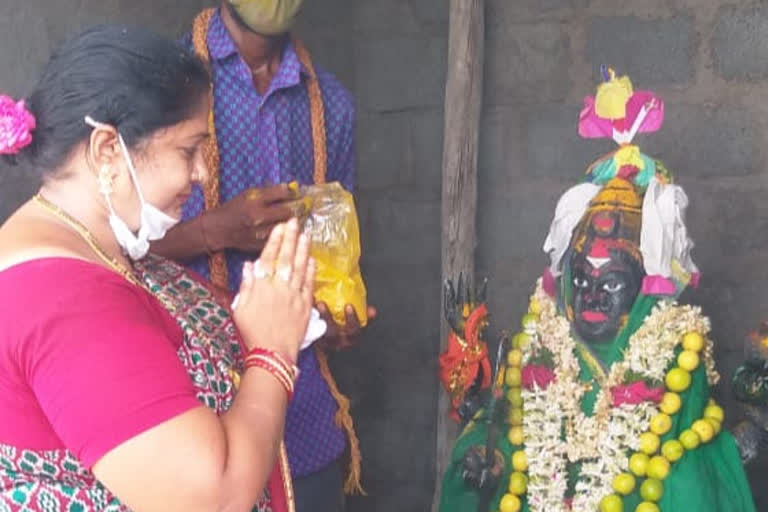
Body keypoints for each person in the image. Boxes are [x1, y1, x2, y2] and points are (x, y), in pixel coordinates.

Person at [0, 25, 312, 512]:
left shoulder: (98, 247)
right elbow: (212, 497)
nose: (202, 174)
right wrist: (273, 350)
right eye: (188, 151)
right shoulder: (59, 299)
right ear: (107, 149)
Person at [438, 69, 756, 512]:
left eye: (611, 282)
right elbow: (506, 430)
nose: (589, 296)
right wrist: (488, 458)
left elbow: (682, 459)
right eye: (581, 278)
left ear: (647, 284)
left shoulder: (674, 351)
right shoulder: (541, 342)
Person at [151, 1, 373, 508]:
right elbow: (105, 250)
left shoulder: (329, 106)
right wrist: (212, 230)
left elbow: (335, 254)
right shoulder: (164, 82)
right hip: (192, 410)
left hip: (304, 414)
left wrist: (335, 313)